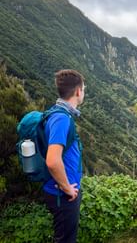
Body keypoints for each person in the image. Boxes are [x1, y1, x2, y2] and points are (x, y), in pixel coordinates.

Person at [43, 69, 85, 243]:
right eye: (83, 89)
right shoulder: (62, 118)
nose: (83, 93)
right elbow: (52, 161)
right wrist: (67, 188)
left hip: (61, 191)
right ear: (77, 91)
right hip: (63, 194)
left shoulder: (58, 112)